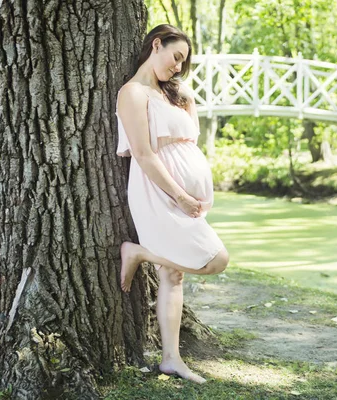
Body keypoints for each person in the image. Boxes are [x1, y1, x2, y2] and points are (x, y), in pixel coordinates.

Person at [115, 24, 229, 384]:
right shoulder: (132, 93)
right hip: (155, 191)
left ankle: (171, 358)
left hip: (184, 195)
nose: (178, 66)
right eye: (176, 56)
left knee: (174, 273)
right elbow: (145, 155)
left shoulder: (176, 94)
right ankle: (136, 253)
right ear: (156, 44)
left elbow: (188, 141)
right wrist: (179, 194)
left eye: (184, 62)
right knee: (216, 261)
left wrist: (195, 189)